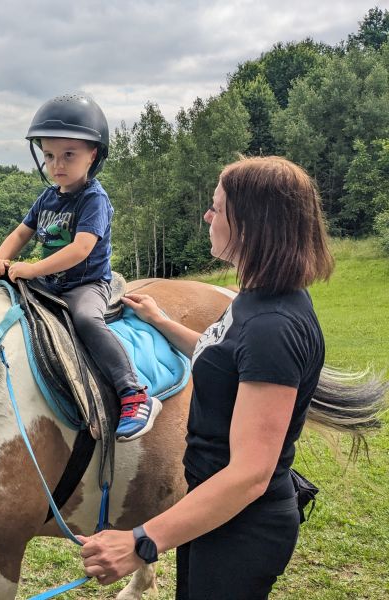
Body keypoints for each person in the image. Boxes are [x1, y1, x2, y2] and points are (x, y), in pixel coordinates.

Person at [77, 156, 334, 598]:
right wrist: (162, 321)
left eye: (217, 207)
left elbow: (252, 473)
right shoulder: (254, 298)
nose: (207, 216)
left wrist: (142, 542)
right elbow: (225, 358)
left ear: (251, 224)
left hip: (242, 526)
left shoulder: (274, 326)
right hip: (211, 512)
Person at [0, 93, 158, 441]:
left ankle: (132, 391)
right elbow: (21, 232)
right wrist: (0, 260)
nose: (57, 164)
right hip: (49, 281)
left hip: (85, 284)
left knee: (85, 320)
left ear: (93, 155)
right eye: (49, 155)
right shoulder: (48, 196)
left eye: (68, 155)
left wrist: (32, 269)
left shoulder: (94, 199)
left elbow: (81, 249)